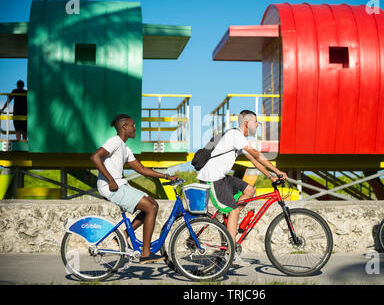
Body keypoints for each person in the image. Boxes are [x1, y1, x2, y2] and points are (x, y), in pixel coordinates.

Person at [197, 109, 288, 267]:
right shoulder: (235, 135)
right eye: (255, 122)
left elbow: (254, 160)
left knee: (250, 190)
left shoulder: (238, 138)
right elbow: (258, 154)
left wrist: (270, 176)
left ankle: (231, 223)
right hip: (213, 178)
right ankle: (230, 253)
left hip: (222, 177)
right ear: (246, 123)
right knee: (234, 210)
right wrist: (277, 170)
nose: (258, 125)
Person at [91, 114, 178, 264]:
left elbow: (142, 169)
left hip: (119, 185)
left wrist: (165, 176)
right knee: (151, 207)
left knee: (151, 204)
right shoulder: (114, 141)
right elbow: (95, 157)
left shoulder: (124, 148)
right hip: (110, 186)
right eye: (133, 125)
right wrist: (111, 180)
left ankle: (123, 236)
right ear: (124, 126)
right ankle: (145, 254)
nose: (135, 128)